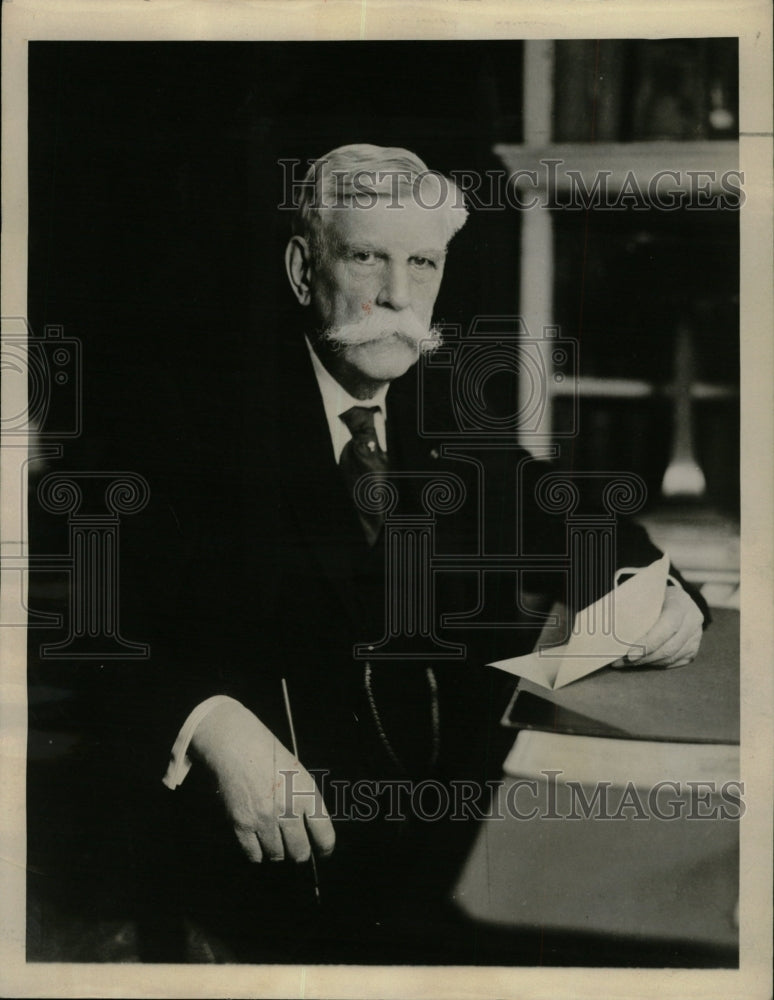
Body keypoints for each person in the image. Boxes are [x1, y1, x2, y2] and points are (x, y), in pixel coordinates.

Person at [140, 144, 707, 963]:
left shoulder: (438, 405)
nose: (398, 295)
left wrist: (656, 591)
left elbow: (580, 520)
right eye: (367, 256)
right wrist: (212, 719)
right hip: (280, 885)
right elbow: (86, 632)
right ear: (304, 269)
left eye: (424, 262)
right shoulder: (192, 423)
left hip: (442, 863)